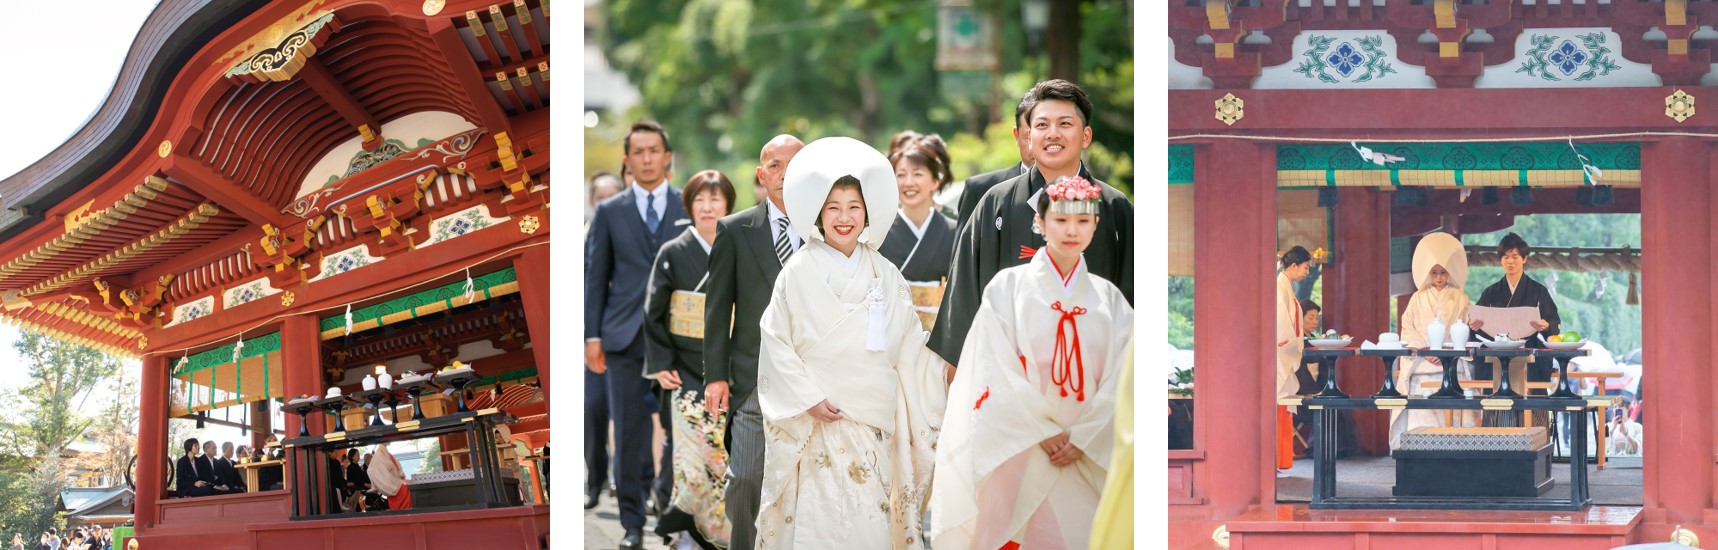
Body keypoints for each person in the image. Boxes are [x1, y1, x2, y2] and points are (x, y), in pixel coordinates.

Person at [754, 136, 947, 548]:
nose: (844, 218)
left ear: (868, 214)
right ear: (819, 215)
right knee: (815, 519)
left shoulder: (884, 272)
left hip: (870, 418)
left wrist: (947, 363)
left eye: (854, 208)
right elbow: (775, 341)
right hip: (812, 415)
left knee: (866, 517)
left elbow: (910, 345)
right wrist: (806, 397)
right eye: (834, 208)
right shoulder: (798, 270)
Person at [930, 175, 1132, 549]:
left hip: (1087, 448)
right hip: (1019, 444)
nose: (1072, 230)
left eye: (1083, 221)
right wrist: (1043, 431)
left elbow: (1125, 379)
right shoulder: (1007, 288)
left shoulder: (1111, 300)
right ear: (1040, 223)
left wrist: (1085, 436)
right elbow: (994, 367)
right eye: (1061, 220)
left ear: (1095, 225)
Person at [932, 79, 1133, 371]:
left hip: (1095, 370)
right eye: (1041, 125)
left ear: (1086, 135)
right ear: (1028, 137)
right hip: (1008, 368)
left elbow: (1132, 298)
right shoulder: (996, 203)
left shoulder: (1115, 207)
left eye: (1065, 124)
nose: (1053, 134)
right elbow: (965, 291)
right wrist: (961, 365)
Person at [586, 120, 687, 549]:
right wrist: (592, 337)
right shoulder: (611, 211)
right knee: (628, 433)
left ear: (668, 157)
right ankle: (631, 521)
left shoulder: (690, 205)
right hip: (623, 337)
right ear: (627, 160)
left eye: (654, 150)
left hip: (679, 337)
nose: (647, 159)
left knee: (679, 429)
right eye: (639, 152)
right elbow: (596, 276)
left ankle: (667, 508)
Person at [703, 134, 805, 550]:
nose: (784, 175)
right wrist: (716, 376)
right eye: (775, 166)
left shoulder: (829, 226)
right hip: (752, 377)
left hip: (815, 376)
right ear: (762, 176)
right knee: (745, 477)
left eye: (794, 164)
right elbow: (716, 308)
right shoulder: (735, 229)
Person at [644, 169, 736, 549]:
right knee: (690, 459)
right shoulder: (674, 252)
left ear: (728, 203)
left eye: (715, 199)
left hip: (729, 368)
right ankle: (688, 535)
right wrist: (661, 363)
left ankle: (723, 532)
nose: (707, 206)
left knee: (724, 457)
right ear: (689, 205)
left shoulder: (739, 245)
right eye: (699, 199)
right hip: (684, 369)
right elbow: (654, 310)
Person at [1389, 233, 1474, 448]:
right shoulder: (1417, 298)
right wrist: (1427, 350)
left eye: (1443, 273)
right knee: (1421, 417)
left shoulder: (1461, 297)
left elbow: (1464, 327)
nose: (1438, 278)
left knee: (1452, 419)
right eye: (1434, 273)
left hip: (1451, 364)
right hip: (1422, 364)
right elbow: (1408, 328)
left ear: (1449, 273)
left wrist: (1445, 351)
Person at [1467, 232, 1561, 426]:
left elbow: (1554, 324)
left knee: (1532, 407)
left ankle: (1536, 443)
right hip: (1497, 358)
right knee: (1496, 405)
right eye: (1506, 257)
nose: (1510, 262)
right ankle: (1496, 444)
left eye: (1515, 257)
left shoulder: (1538, 290)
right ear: (1500, 260)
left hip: (1529, 358)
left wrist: (1545, 325)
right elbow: (1477, 330)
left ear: (1525, 259)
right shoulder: (1491, 292)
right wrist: (1474, 327)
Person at [879, 132, 958, 331]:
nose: (909, 182)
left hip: (941, 337)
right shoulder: (879, 232)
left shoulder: (955, 231)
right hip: (891, 334)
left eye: (918, 174)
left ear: (935, 181)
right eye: (901, 175)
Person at [955, 90, 1036, 227]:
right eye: (1029, 137)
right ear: (1016, 135)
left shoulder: (1083, 187)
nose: (1038, 144)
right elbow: (966, 247)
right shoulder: (981, 189)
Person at [1274, 246, 1313, 473]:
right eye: (1306, 267)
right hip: (1280, 355)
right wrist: (1289, 347)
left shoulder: (1285, 286)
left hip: (1285, 354)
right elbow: (1282, 325)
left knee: (1284, 405)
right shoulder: (1280, 287)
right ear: (1294, 266)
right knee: (1279, 403)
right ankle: (1277, 459)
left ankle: (1281, 460)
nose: (1307, 272)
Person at [366, 444, 413, 510]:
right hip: (394, 485)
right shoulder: (379, 454)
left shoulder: (382, 452)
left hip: (395, 484)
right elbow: (373, 470)